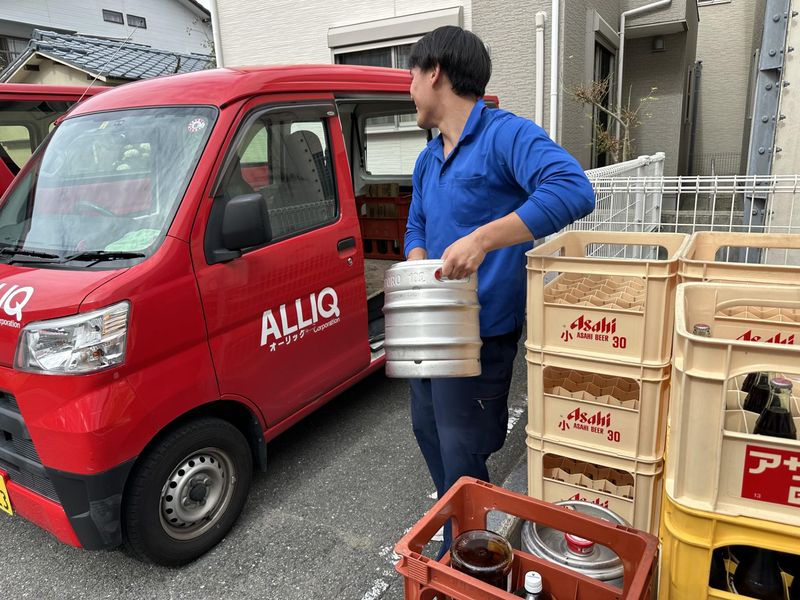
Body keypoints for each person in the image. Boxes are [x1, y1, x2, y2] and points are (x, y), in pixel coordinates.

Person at [404, 26, 595, 557]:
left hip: (482, 333)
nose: (409, 90)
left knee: (464, 450)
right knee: (428, 431)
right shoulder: (427, 158)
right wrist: (419, 264)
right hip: (431, 329)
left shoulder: (506, 135)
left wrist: (482, 240)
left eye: (411, 76)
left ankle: (469, 556)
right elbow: (416, 225)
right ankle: (460, 532)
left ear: (435, 73)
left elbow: (574, 189)